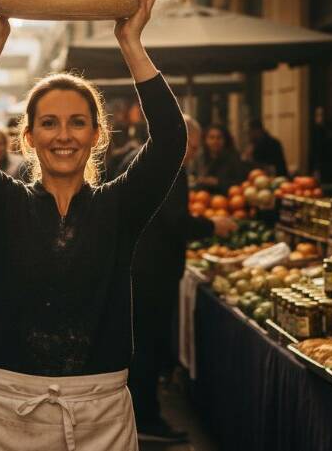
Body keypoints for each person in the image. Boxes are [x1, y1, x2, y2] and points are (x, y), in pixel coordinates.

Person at [0, 0, 185, 450]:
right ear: (28, 138)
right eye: (48, 123)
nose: (63, 135)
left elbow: (171, 139)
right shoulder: (2, 204)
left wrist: (130, 41)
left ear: (97, 135)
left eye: (78, 122)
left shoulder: (120, 207)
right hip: (9, 410)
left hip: (102, 411)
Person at [120, 116, 233, 443]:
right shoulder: (169, 168)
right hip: (154, 271)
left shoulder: (137, 158)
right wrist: (213, 226)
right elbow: (175, 221)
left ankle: (139, 416)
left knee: (141, 345)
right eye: (193, 146)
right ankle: (147, 421)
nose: (194, 153)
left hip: (137, 267)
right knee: (148, 346)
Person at [193, 124, 247, 193]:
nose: (215, 141)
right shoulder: (200, 157)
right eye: (211, 138)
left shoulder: (233, 158)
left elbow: (239, 183)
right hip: (202, 198)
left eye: (219, 138)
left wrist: (217, 182)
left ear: (225, 140)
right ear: (205, 140)